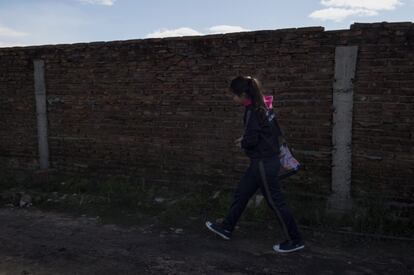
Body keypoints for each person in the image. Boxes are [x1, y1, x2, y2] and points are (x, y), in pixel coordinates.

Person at [205, 76, 305, 253]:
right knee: (242, 193)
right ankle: (227, 227)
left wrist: (243, 142)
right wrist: (247, 139)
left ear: (244, 94)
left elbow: (252, 139)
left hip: (263, 163)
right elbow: (271, 131)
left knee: (276, 202)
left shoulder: (253, 111)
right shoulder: (263, 106)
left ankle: (295, 240)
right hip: (263, 161)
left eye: (234, 95)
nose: (232, 98)